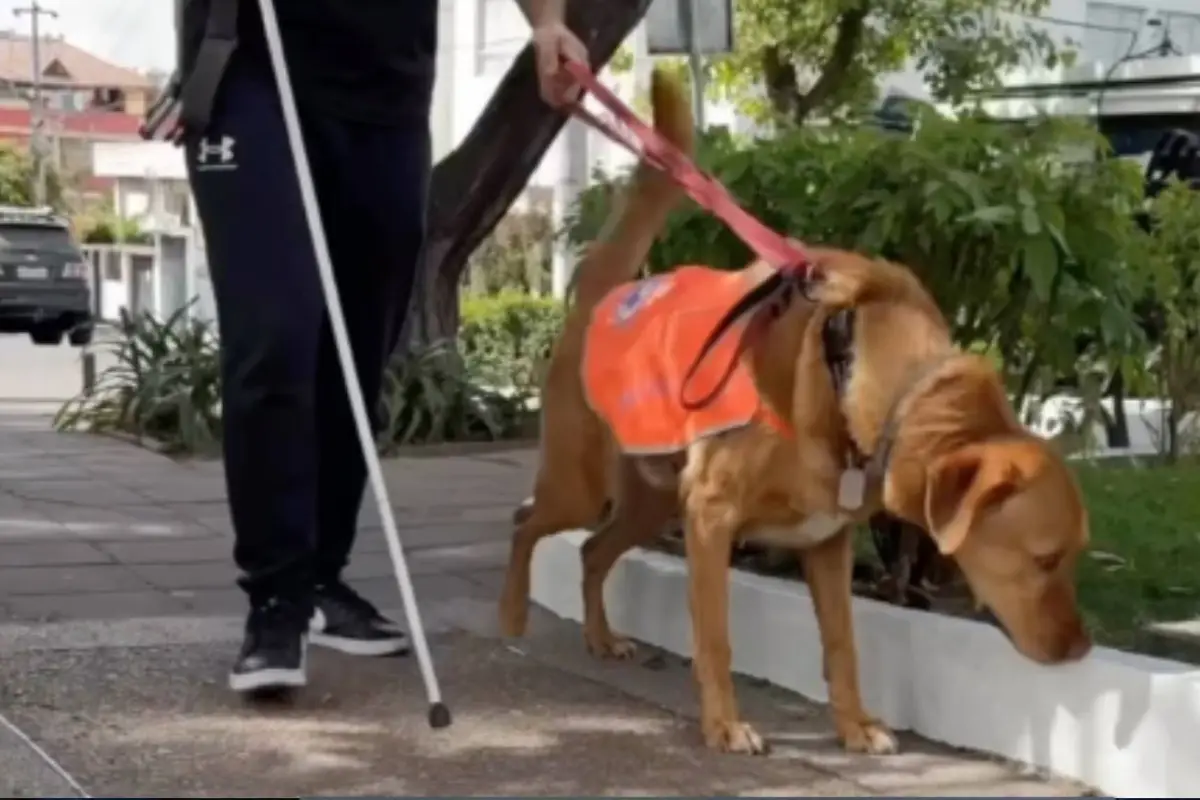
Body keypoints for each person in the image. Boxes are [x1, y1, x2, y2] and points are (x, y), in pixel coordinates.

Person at [175, 0, 587, 693]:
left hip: (387, 96)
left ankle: (319, 578)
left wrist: (547, 23)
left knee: (359, 346)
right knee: (275, 331)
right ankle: (276, 599)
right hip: (253, 69)